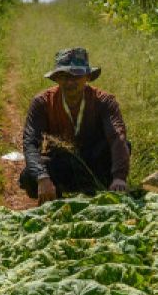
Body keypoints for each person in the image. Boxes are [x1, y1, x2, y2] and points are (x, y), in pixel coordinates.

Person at [19, 47, 131, 205]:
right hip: (61, 161)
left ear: (87, 77)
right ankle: (52, 201)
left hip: (94, 161)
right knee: (29, 177)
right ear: (56, 78)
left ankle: (105, 193)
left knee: (123, 146)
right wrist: (42, 177)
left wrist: (119, 177)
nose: (70, 82)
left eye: (76, 76)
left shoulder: (105, 101)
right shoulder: (42, 102)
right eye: (64, 76)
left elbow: (117, 137)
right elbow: (30, 141)